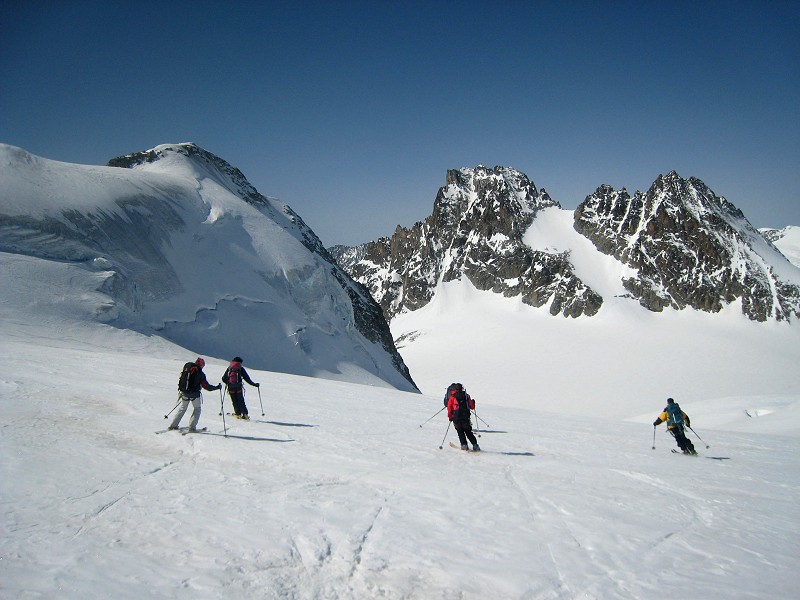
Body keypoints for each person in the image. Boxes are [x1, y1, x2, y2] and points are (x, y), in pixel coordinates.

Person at [170, 357, 221, 431]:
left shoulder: (188, 369)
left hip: (184, 392)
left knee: (182, 409)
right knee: (197, 409)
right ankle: (192, 427)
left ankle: (173, 425)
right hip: (194, 395)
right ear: (201, 365)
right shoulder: (200, 373)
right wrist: (217, 387)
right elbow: (207, 387)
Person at [447, 383, 480, 451]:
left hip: (456, 418)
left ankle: (464, 446)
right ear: (462, 388)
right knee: (468, 432)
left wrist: (450, 417)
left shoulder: (452, 397)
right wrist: (473, 402)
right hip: (465, 417)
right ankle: (475, 445)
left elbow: (449, 408)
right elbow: (472, 406)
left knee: (460, 432)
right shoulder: (466, 396)